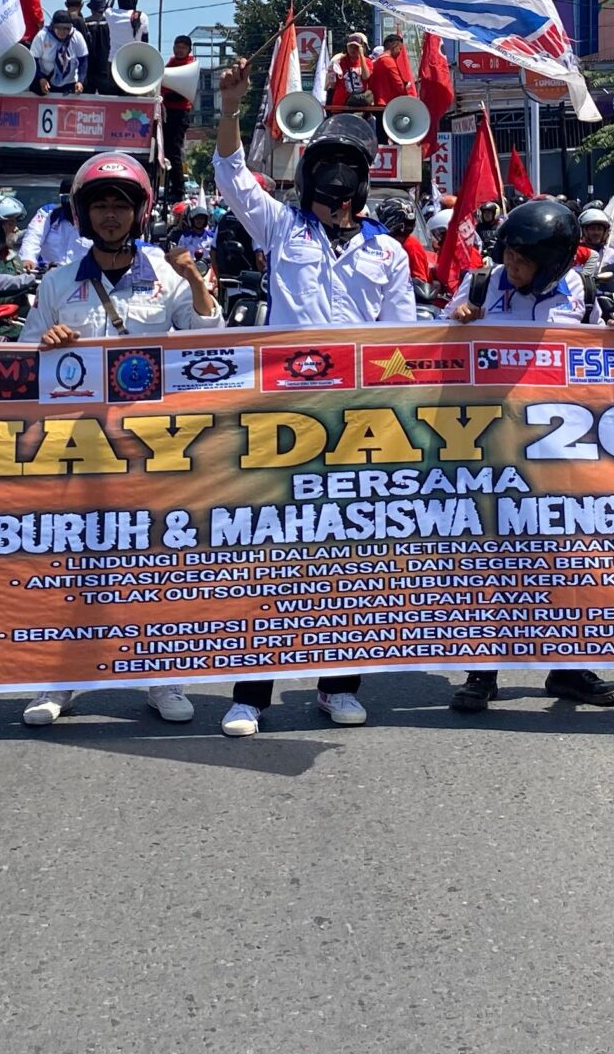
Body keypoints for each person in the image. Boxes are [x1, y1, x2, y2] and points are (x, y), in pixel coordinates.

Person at [213, 54, 416, 734]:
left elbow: (404, 342)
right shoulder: (282, 229)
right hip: (281, 414)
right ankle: (251, 694)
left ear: (362, 180)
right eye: (324, 169)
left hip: (357, 423)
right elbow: (232, 178)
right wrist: (230, 106)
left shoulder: (389, 254)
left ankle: (338, 684)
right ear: (306, 178)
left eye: (347, 171)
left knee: (349, 556)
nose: (336, 183)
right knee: (270, 553)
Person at [17, 154, 221, 729]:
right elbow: (25, 361)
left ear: (139, 213)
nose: (111, 215)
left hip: (152, 447)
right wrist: (47, 342)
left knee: (154, 563)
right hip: (77, 446)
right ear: (83, 213)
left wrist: (195, 283)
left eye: (121, 205)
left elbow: (210, 343)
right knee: (74, 565)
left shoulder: (165, 272)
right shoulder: (58, 281)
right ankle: (62, 681)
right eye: (100, 204)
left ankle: (162, 677)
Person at [447, 197, 614, 715]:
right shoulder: (480, 285)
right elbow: (427, 348)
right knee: (494, 559)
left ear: (553, 263)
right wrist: (457, 321)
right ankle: (482, 671)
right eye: (510, 255)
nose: (513, 267)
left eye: (525, 261)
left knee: (567, 560)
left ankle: (568, 668)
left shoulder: (582, 290)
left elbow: (606, 351)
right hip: (492, 442)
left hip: (561, 446)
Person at [159, 33, 198, 204]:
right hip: (167, 111)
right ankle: (169, 185)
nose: (179, 50)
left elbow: (182, 93)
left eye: (183, 47)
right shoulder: (171, 63)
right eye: (177, 46)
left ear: (189, 50)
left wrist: (168, 94)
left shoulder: (190, 65)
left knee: (173, 151)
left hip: (179, 113)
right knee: (166, 150)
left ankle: (178, 189)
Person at [17, 176, 87, 273]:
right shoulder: (49, 213)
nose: (70, 204)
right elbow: (33, 237)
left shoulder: (93, 218)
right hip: (49, 275)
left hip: (83, 277)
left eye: (74, 199)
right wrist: (28, 258)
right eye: (66, 199)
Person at [34, 7, 90, 94]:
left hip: (70, 83)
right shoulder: (42, 36)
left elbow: (83, 61)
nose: (62, 31)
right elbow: (34, 60)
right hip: (46, 81)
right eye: (58, 28)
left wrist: (80, 80)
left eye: (66, 28)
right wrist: (40, 78)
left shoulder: (77, 36)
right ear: (52, 26)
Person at [323, 32, 374, 111]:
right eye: (351, 46)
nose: (353, 49)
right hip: (341, 104)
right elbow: (331, 85)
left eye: (356, 47)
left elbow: (366, 76)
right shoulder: (338, 61)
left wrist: (361, 55)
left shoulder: (367, 61)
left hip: (359, 104)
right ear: (346, 47)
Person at [365, 31, 414, 108]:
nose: (400, 52)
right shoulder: (388, 61)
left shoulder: (378, 60)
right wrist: (407, 87)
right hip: (387, 104)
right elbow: (399, 85)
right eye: (400, 49)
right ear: (394, 45)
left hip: (379, 102)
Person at [83, 0, 116, 93]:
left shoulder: (85, 22)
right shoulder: (110, 23)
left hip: (89, 69)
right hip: (105, 68)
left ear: (91, 8)